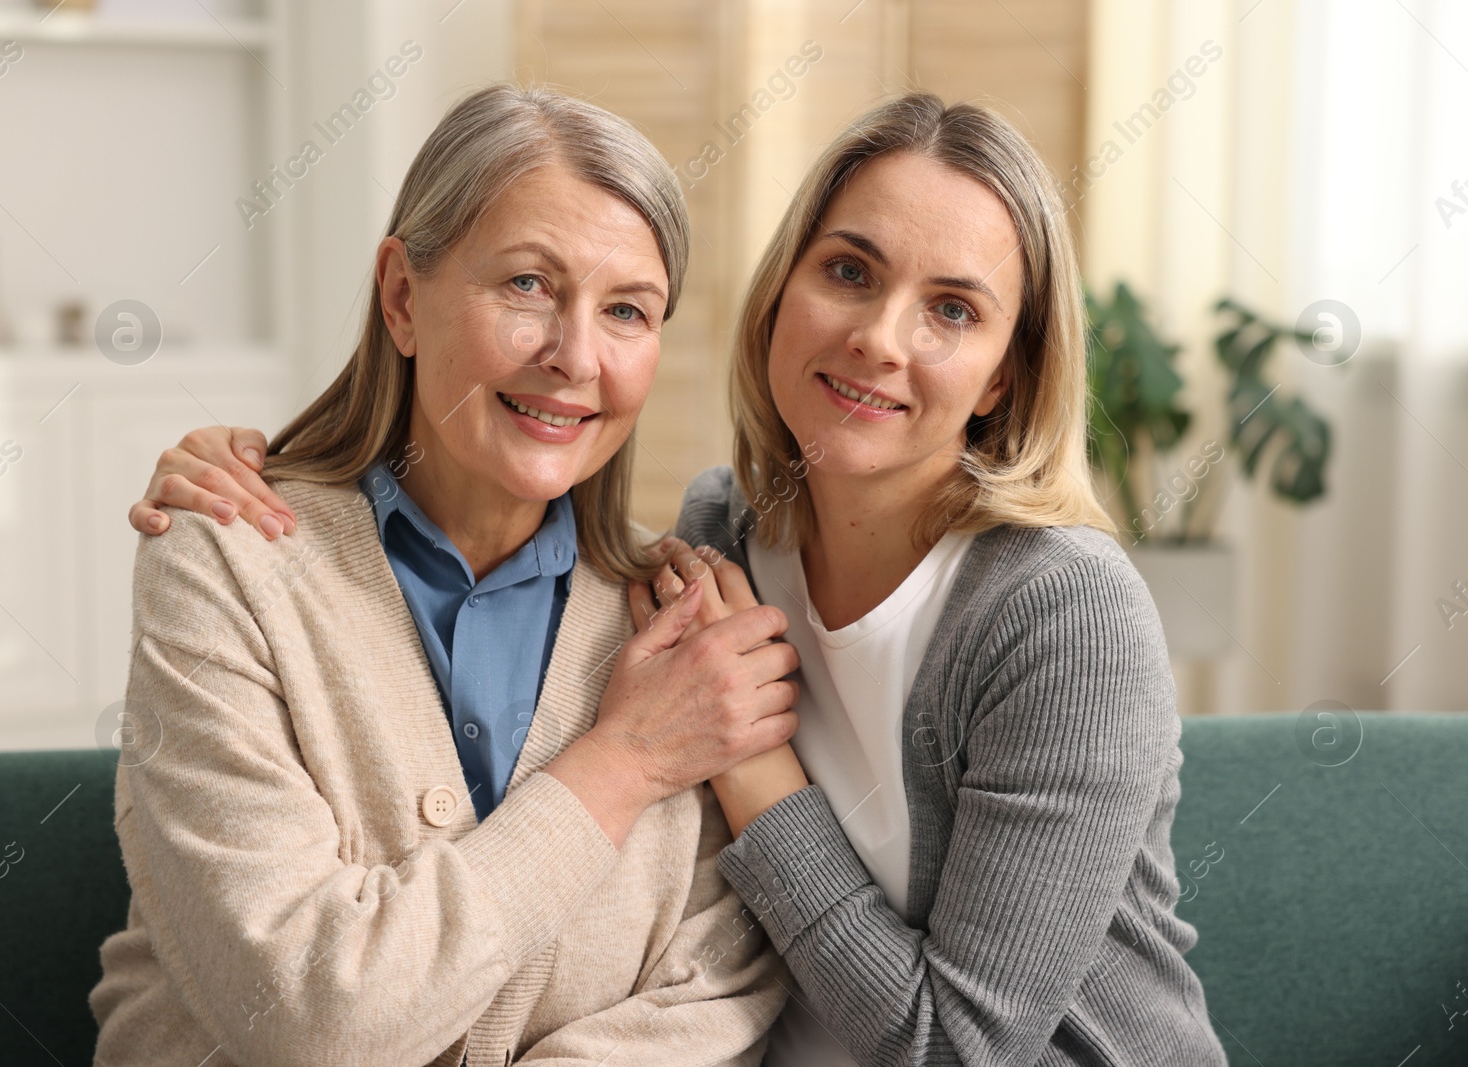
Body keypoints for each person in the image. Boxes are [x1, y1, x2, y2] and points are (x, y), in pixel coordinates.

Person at [131, 93, 1228, 1066]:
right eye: (848, 270)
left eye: (953, 308)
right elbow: (298, 1002)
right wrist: (629, 757)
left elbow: (798, 1006)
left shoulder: (1049, 611)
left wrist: (747, 765)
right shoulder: (713, 550)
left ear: (1007, 374)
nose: (880, 338)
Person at [89, 85, 799, 1067]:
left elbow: (718, 991)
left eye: (626, 309)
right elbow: (307, 1009)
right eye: (526, 286)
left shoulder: (680, 615)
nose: (574, 355)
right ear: (401, 298)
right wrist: (621, 761)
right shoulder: (224, 558)